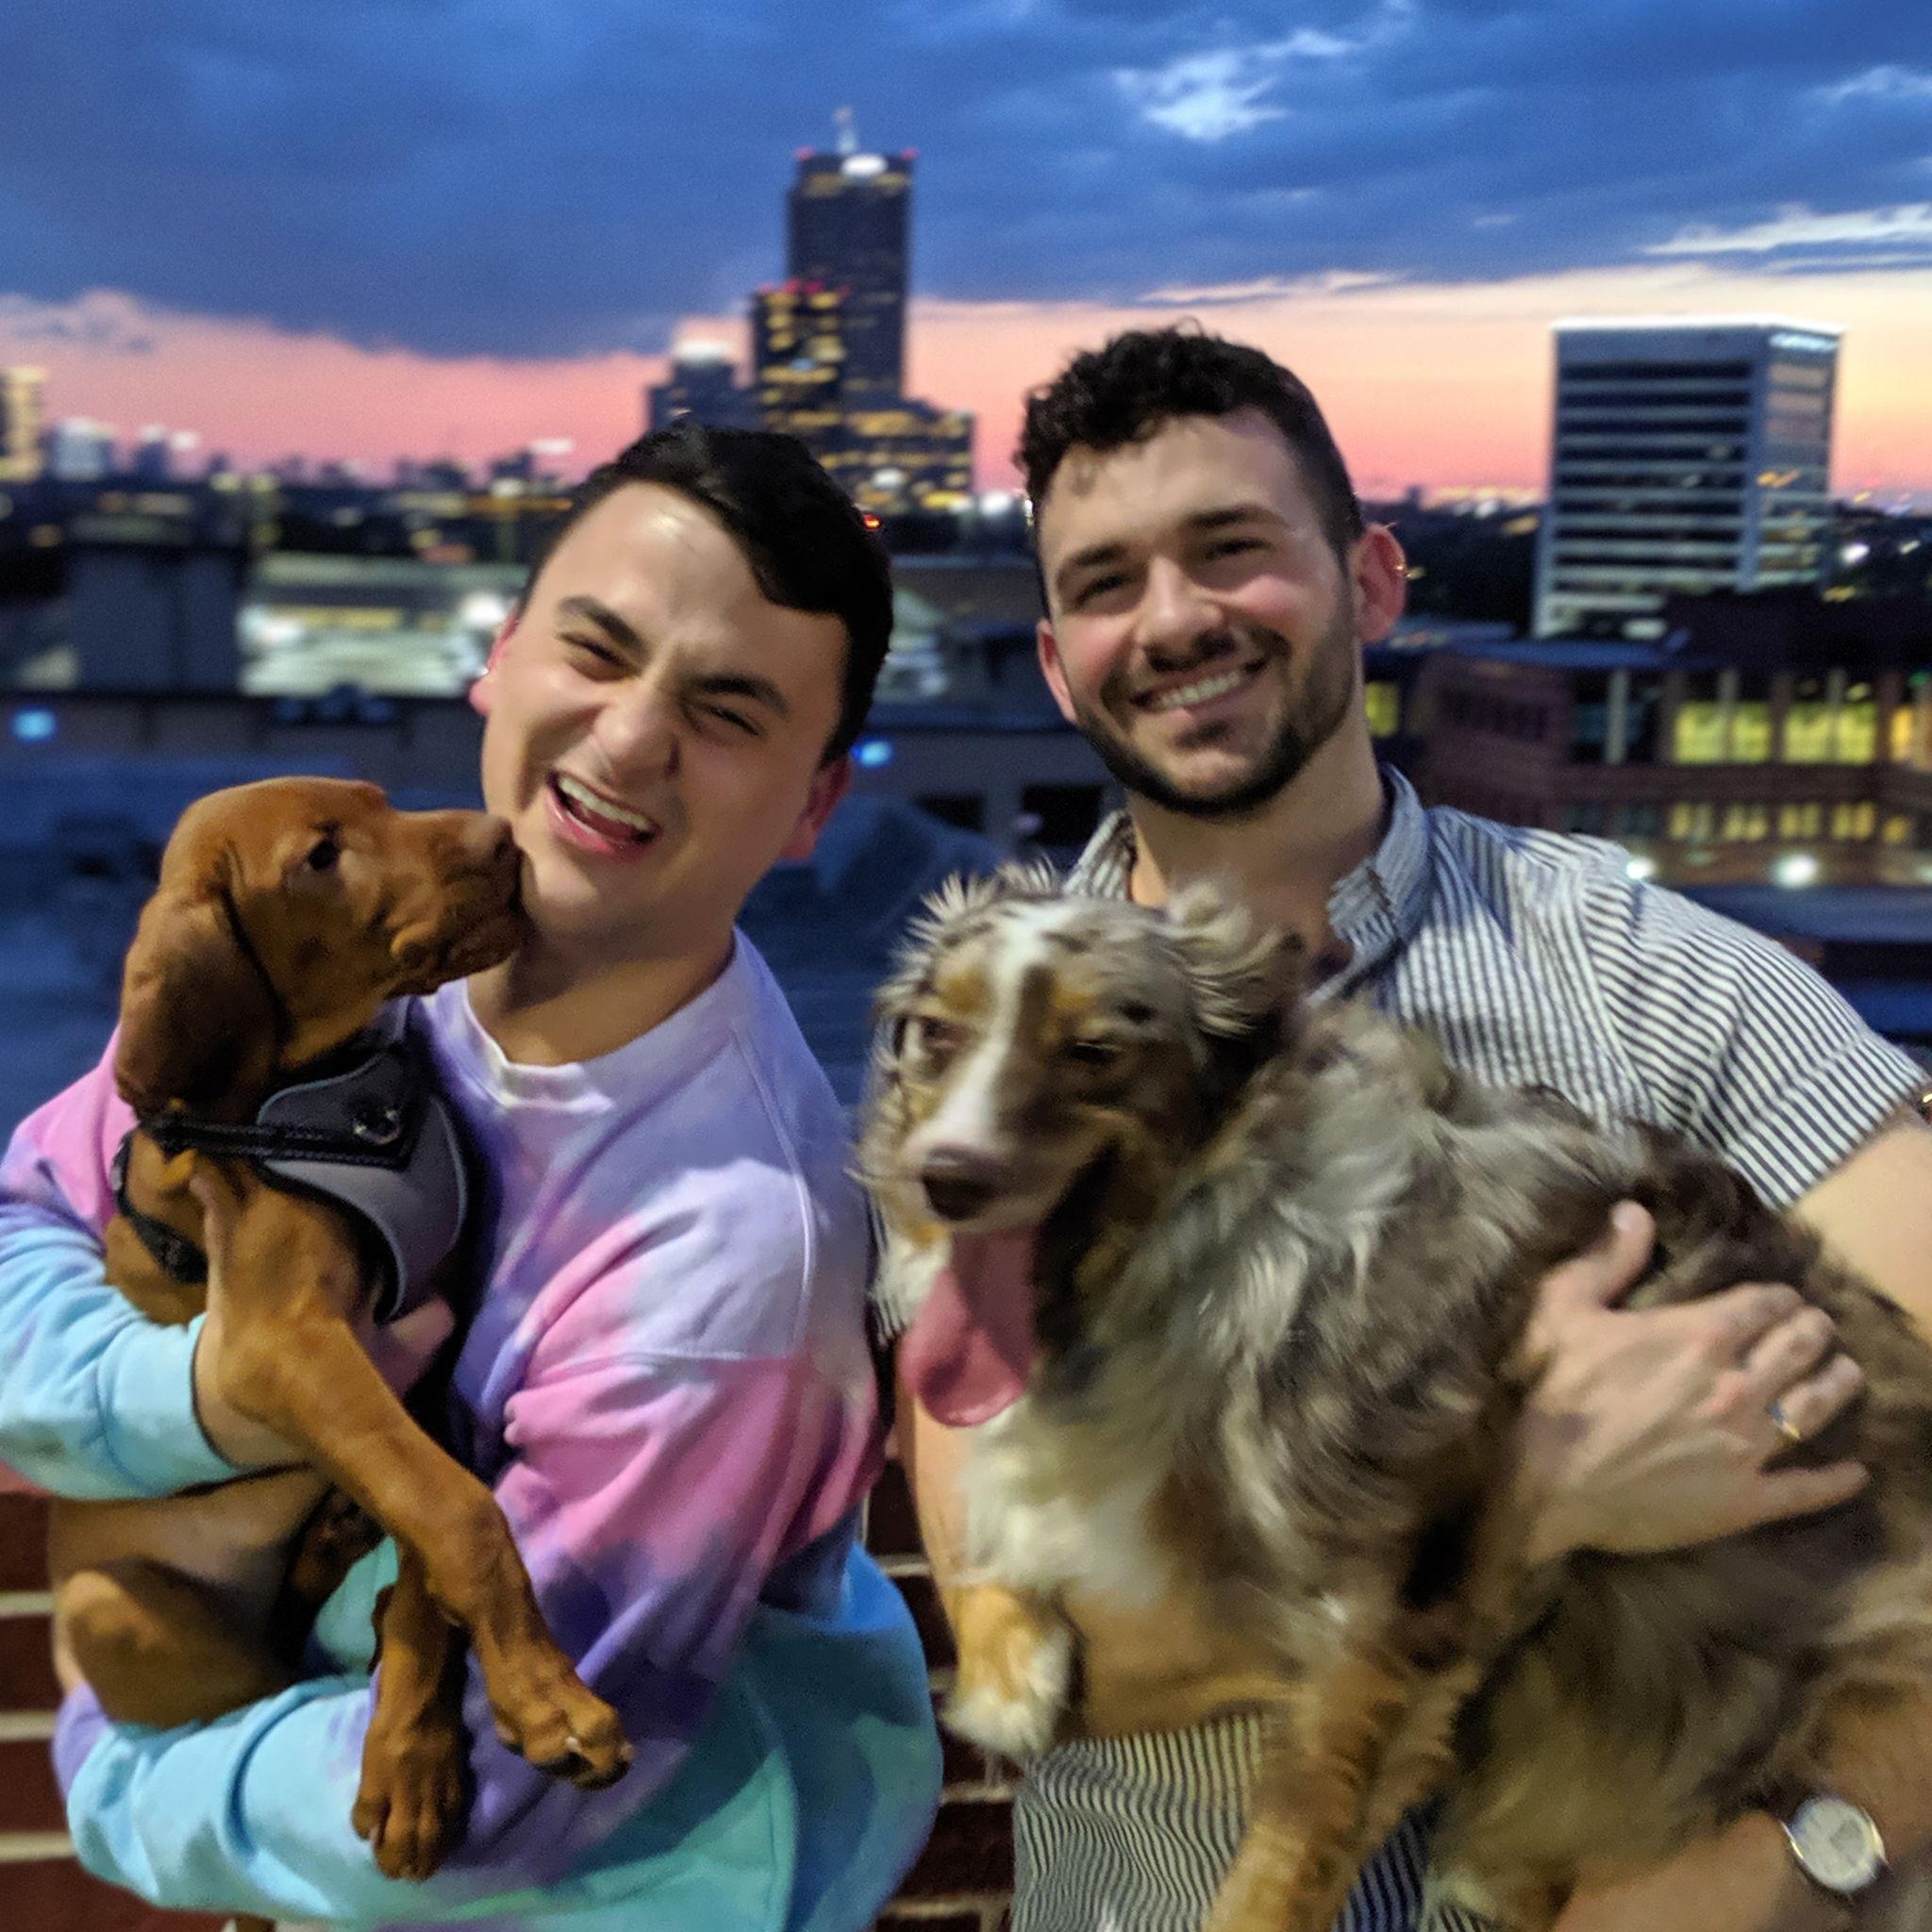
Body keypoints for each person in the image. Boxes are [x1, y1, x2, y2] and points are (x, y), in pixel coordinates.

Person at [894, 328, 1932, 1932]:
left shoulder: (1666, 991)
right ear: (1055, 660)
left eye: (1231, 551)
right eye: (1107, 583)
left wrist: (1804, 1854)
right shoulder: (983, 1069)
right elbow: (1048, 1666)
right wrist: (1532, 1488)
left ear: (1375, 583)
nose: (1172, 621)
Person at [0, 423, 942, 1930]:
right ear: (496, 657)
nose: (629, 742)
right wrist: (186, 1406)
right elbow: (34, 1206)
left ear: (819, 802)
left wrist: (122, 1785)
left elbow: (502, 1806)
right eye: (597, 651)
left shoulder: (727, 1260)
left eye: (726, 710)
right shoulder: (359, 969)